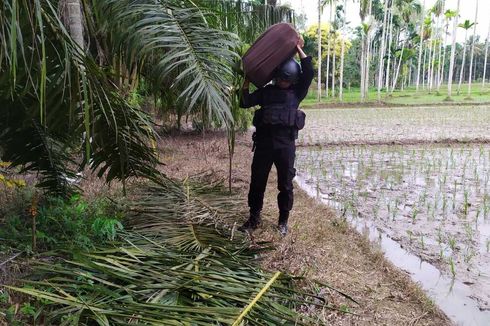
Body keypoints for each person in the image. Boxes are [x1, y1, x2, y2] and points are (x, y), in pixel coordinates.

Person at [239, 40, 313, 236]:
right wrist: (246, 79)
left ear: (294, 80)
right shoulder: (266, 92)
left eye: (286, 80)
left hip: (285, 146)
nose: (282, 82)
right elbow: (244, 102)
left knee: (286, 185)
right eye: (280, 78)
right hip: (264, 145)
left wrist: (297, 48)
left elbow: (309, 73)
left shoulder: (297, 93)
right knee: (257, 182)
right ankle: (254, 218)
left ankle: (283, 222)